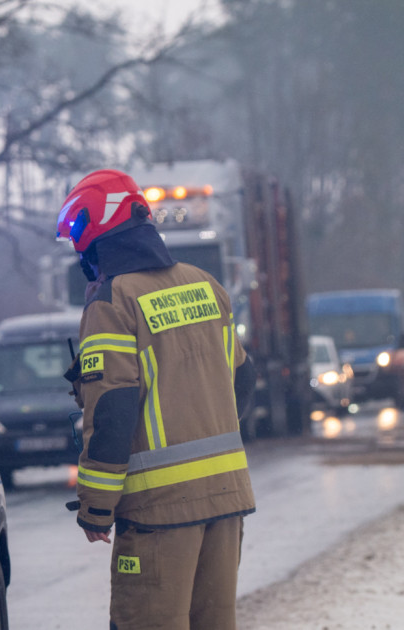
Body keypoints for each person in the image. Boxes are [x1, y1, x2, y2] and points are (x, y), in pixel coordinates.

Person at [57, 169, 258, 630]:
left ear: (95, 237)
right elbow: (243, 381)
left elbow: (112, 411)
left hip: (158, 513)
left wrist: (96, 508)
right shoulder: (206, 285)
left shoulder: (113, 302)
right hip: (226, 502)